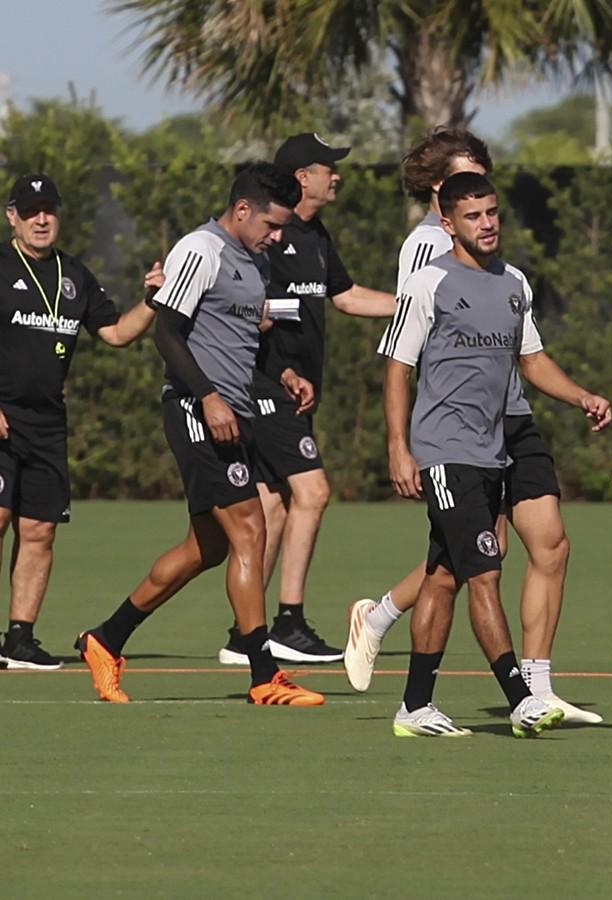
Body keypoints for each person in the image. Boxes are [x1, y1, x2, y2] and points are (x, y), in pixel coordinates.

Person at [344, 129, 608, 725]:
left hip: (495, 445)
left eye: (492, 212)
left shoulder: (514, 283)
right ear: (448, 220)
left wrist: (582, 396)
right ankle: (523, 699)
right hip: (445, 448)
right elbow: (397, 366)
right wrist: (399, 448)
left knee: (445, 575)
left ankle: (415, 704)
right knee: (485, 571)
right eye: (473, 215)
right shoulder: (427, 277)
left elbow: (532, 360)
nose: (487, 224)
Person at [76, 163, 324, 706]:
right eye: (271, 225)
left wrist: (284, 373)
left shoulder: (254, 261)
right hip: (195, 408)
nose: (276, 237)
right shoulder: (200, 250)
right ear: (242, 209)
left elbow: (244, 339)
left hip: (234, 412)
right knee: (251, 530)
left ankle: (105, 639)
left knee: (205, 549)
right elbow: (167, 333)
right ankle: (263, 675)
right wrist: (209, 397)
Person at [215, 133, 398, 667]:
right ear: (302, 177)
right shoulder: (265, 234)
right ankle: (288, 623)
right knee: (313, 492)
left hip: (294, 391)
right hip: (263, 383)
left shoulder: (316, 234)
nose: (335, 176)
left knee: (274, 503)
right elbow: (240, 304)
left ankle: (245, 635)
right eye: (327, 168)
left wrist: (415, 304)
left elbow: (346, 296)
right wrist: (278, 356)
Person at [0, 174, 161, 670]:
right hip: (2, 416)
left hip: (48, 423)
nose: (41, 219)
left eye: (49, 210)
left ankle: (20, 639)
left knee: (40, 530)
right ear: (12, 216)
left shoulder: (75, 275)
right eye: (31, 211)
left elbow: (115, 333)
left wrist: (154, 299)